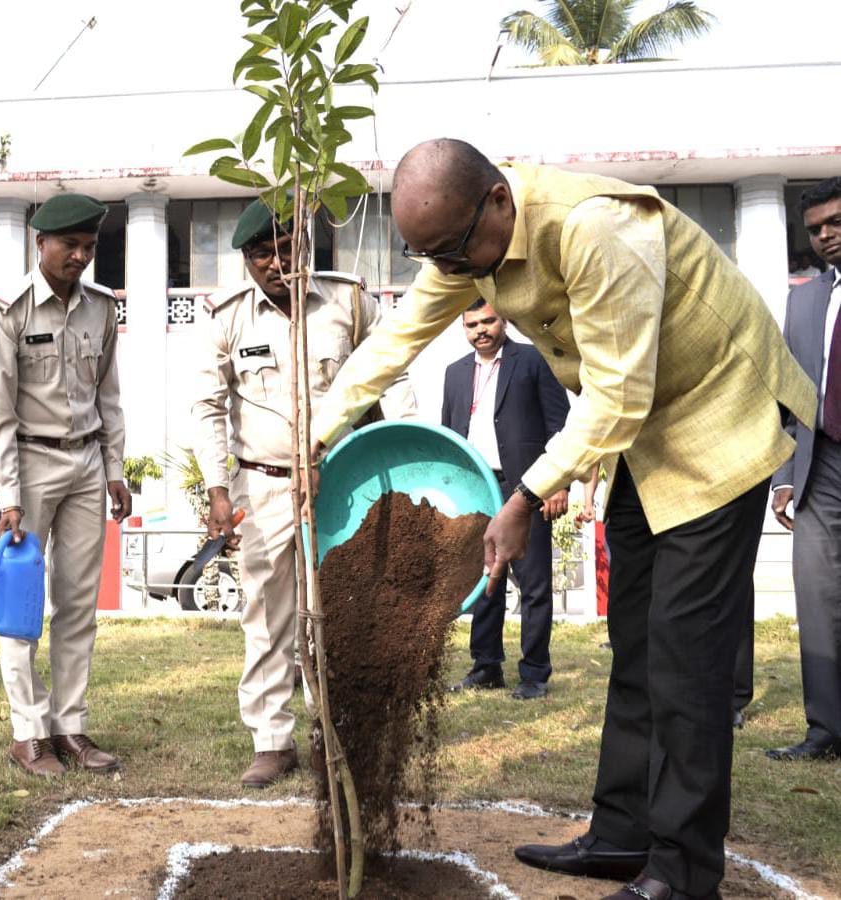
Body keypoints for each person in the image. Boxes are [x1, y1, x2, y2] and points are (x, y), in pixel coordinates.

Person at [310, 138, 816, 900]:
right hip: (645, 442)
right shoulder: (463, 246)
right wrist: (313, 433)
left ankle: (681, 873)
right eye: (431, 258)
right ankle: (621, 837)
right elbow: (395, 338)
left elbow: (614, 397)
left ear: (498, 203)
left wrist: (523, 497)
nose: (448, 274)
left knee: (687, 659)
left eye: (451, 253)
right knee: (637, 642)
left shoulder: (595, 229)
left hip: (716, 422)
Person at [191, 199, 417, 789]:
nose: (277, 262)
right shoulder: (228, 317)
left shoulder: (348, 300)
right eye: (261, 254)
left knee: (343, 609)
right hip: (261, 486)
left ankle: (338, 733)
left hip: (340, 481)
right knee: (267, 616)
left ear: (306, 244)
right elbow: (209, 407)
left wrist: (411, 452)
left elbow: (392, 373)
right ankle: (271, 740)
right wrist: (217, 487)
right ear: (245, 260)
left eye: (287, 247)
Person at [0, 193, 131, 778]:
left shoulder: (101, 307)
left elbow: (110, 397)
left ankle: (70, 726)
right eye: (69, 245)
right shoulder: (11, 310)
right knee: (21, 606)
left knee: (78, 605)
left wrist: (116, 470)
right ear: (39, 243)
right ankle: (28, 734)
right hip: (31, 462)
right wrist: (8, 495)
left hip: (88, 465)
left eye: (89, 248)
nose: (79, 257)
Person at [442, 298, 569, 699]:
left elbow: (560, 425)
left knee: (533, 584)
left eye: (488, 321)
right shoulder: (454, 373)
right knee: (483, 581)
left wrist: (556, 483)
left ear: (504, 320)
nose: (480, 330)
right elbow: (450, 433)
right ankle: (486, 666)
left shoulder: (532, 361)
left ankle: (534, 673)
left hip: (525, 490)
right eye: (471, 324)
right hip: (476, 489)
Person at [768, 176, 841, 762]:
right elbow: (793, 397)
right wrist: (785, 475)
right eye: (815, 229)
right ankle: (825, 730)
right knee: (817, 596)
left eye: (835, 222)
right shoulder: (805, 299)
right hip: (822, 467)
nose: (826, 236)